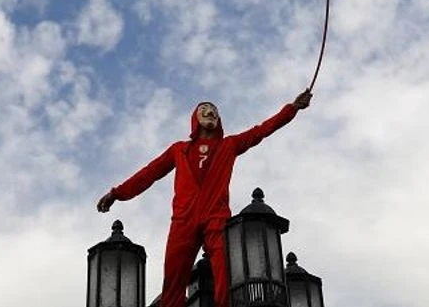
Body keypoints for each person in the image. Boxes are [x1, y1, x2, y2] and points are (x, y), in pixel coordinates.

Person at [97, 90, 312, 307]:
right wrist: (117, 193)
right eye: (204, 109)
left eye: (214, 111)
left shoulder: (229, 145)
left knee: (227, 272)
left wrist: (292, 108)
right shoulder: (178, 150)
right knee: (173, 279)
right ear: (195, 119)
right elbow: (148, 173)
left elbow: (262, 130)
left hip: (216, 218)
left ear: (219, 120)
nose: (210, 111)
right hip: (183, 220)